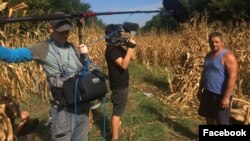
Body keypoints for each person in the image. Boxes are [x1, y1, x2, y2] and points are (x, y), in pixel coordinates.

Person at [0, 12, 91, 140]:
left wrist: (85, 56)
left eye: (67, 31)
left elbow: (84, 71)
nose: (65, 34)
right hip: (63, 110)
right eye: (61, 31)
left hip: (82, 106)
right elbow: (11, 56)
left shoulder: (72, 47)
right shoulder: (42, 48)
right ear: (50, 29)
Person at [196, 31, 238, 125]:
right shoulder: (208, 55)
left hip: (220, 95)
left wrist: (226, 97)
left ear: (222, 42)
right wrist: (200, 89)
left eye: (216, 42)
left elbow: (232, 77)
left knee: (221, 121)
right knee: (209, 117)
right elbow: (204, 73)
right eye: (211, 42)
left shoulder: (228, 56)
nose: (213, 44)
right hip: (207, 92)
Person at [104, 23, 136, 140]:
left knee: (120, 110)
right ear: (113, 35)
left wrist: (130, 46)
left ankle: (117, 130)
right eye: (119, 34)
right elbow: (124, 65)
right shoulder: (111, 50)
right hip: (119, 85)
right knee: (117, 112)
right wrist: (130, 48)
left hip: (123, 84)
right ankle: (115, 138)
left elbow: (132, 58)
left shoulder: (117, 47)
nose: (121, 35)